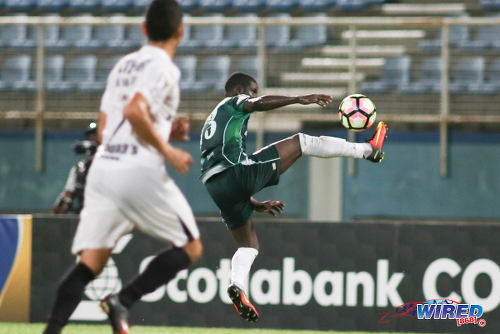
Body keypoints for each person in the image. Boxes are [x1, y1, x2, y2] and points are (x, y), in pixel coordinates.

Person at [42, 1, 202, 334]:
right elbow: (133, 112)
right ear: (180, 31)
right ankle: (123, 301)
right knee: (191, 246)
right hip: (136, 170)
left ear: (144, 29)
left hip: (103, 168)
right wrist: (168, 150)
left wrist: (164, 129)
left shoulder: (124, 65)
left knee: (90, 263)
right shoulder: (165, 68)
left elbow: (105, 129)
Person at [199, 72, 387, 323]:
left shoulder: (211, 122)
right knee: (301, 142)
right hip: (237, 172)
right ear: (240, 89)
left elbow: (224, 179)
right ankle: (367, 150)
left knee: (248, 245)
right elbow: (256, 104)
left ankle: (238, 287)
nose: (253, 95)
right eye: (252, 90)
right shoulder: (232, 103)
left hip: (215, 186)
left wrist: (255, 203)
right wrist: (299, 99)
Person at [52, 122, 98, 214]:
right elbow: (68, 192)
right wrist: (65, 201)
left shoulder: (110, 165)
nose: (93, 138)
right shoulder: (80, 169)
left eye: (96, 135)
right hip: (84, 212)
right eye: (91, 136)